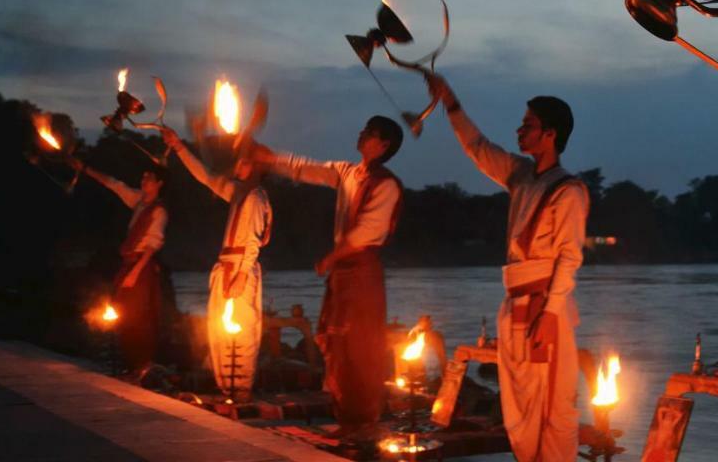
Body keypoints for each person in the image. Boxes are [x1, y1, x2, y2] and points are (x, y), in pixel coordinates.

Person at [425, 74, 588, 462]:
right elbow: (478, 148)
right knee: (519, 404)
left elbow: (569, 256)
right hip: (514, 303)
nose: (520, 129)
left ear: (549, 134)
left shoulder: (569, 189)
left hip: (544, 306)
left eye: (528, 124)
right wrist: (451, 103)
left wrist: (549, 315)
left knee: (551, 406)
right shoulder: (519, 175)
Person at [251, 116, 404, 442]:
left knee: (360, 347)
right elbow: (306, 168)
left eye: (370, 133)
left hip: (362, 273)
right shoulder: (348, 172)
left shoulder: (387, 185)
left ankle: (363, 421)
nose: (361, 134)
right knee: (336, 344)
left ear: (384, 144)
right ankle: (348, 418)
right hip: (343, 273)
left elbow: (366, 232)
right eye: (363, 128)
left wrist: (332, 258)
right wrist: (270, 158)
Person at [163, 127, 270, 402]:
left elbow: (253, 243)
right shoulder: (238, 194)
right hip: (226, 268)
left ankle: (241, 389)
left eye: (245, 161)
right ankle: (226, 389)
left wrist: (241, 275)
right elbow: (206, 177)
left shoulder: (256, 197)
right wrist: (179, 147)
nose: (238, 165)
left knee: (242, 329)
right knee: (219, 328)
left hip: (240, 270)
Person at [69, 157, 170, 373]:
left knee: (139, 316)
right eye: (143, 177)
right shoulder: (139, 202)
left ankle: (142, 366)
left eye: (149, 178)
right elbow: (114, 184)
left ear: (159, 183)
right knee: (125, 313)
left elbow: (152, 246)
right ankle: (131, 364)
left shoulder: (159, 211)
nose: (144, 181)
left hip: (141, 267)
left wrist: (134, 273)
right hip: (130, 263)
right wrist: (86, 168)